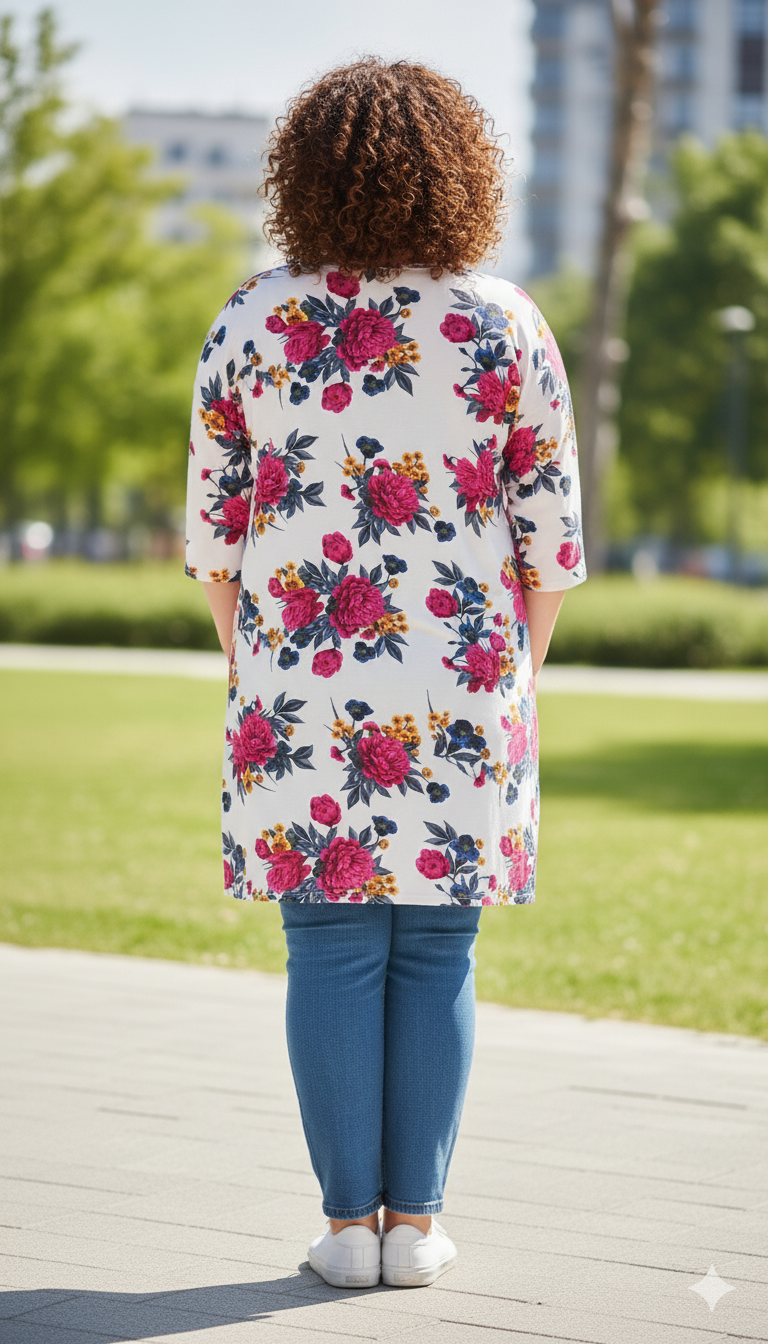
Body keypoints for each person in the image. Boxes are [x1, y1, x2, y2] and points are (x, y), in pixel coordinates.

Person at [185, 57, 586, 1291]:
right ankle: (415, 1226)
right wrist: (514, 683)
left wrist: (256, 667)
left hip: (298, 681)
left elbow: (217, 543)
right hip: (466, 683)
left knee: (331, 951)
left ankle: (343, 1231)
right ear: (462, 175)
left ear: (300, 177)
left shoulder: (251, 321)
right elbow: (550, 549)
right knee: (438, 953)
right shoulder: (504, 322)